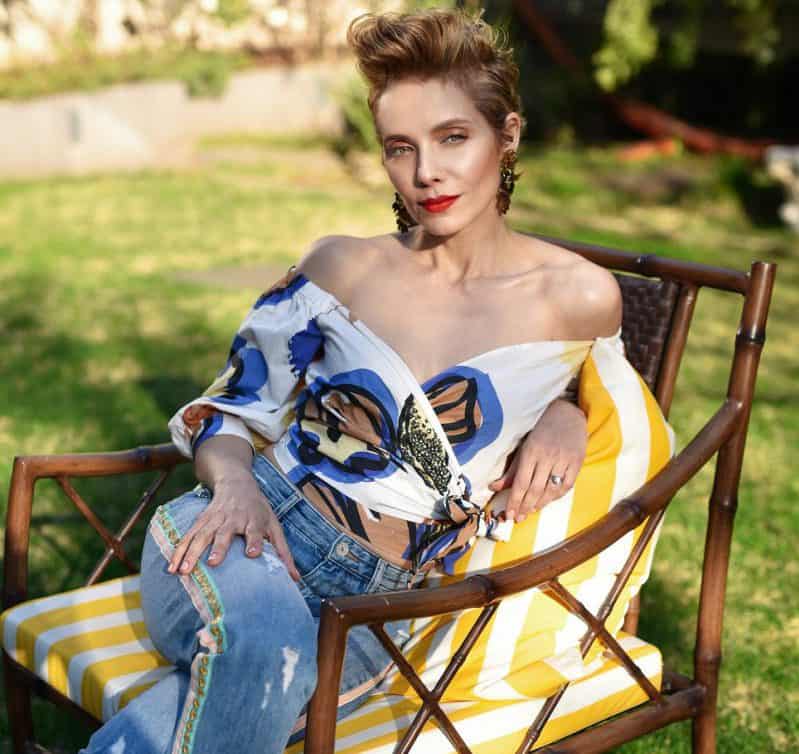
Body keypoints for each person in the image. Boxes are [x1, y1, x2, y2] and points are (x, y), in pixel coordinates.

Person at [79, 6, 621, 753]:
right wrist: (233, 485)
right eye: (400, 148)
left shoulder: (578, 297)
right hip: (240, 534)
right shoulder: (342, 268)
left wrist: (567, 412)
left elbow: (615, 395)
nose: (426, 172)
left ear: (508, 135)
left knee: (247, 684)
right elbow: (229, 408)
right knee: (269, 649)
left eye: (452, 138)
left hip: (380, 612)